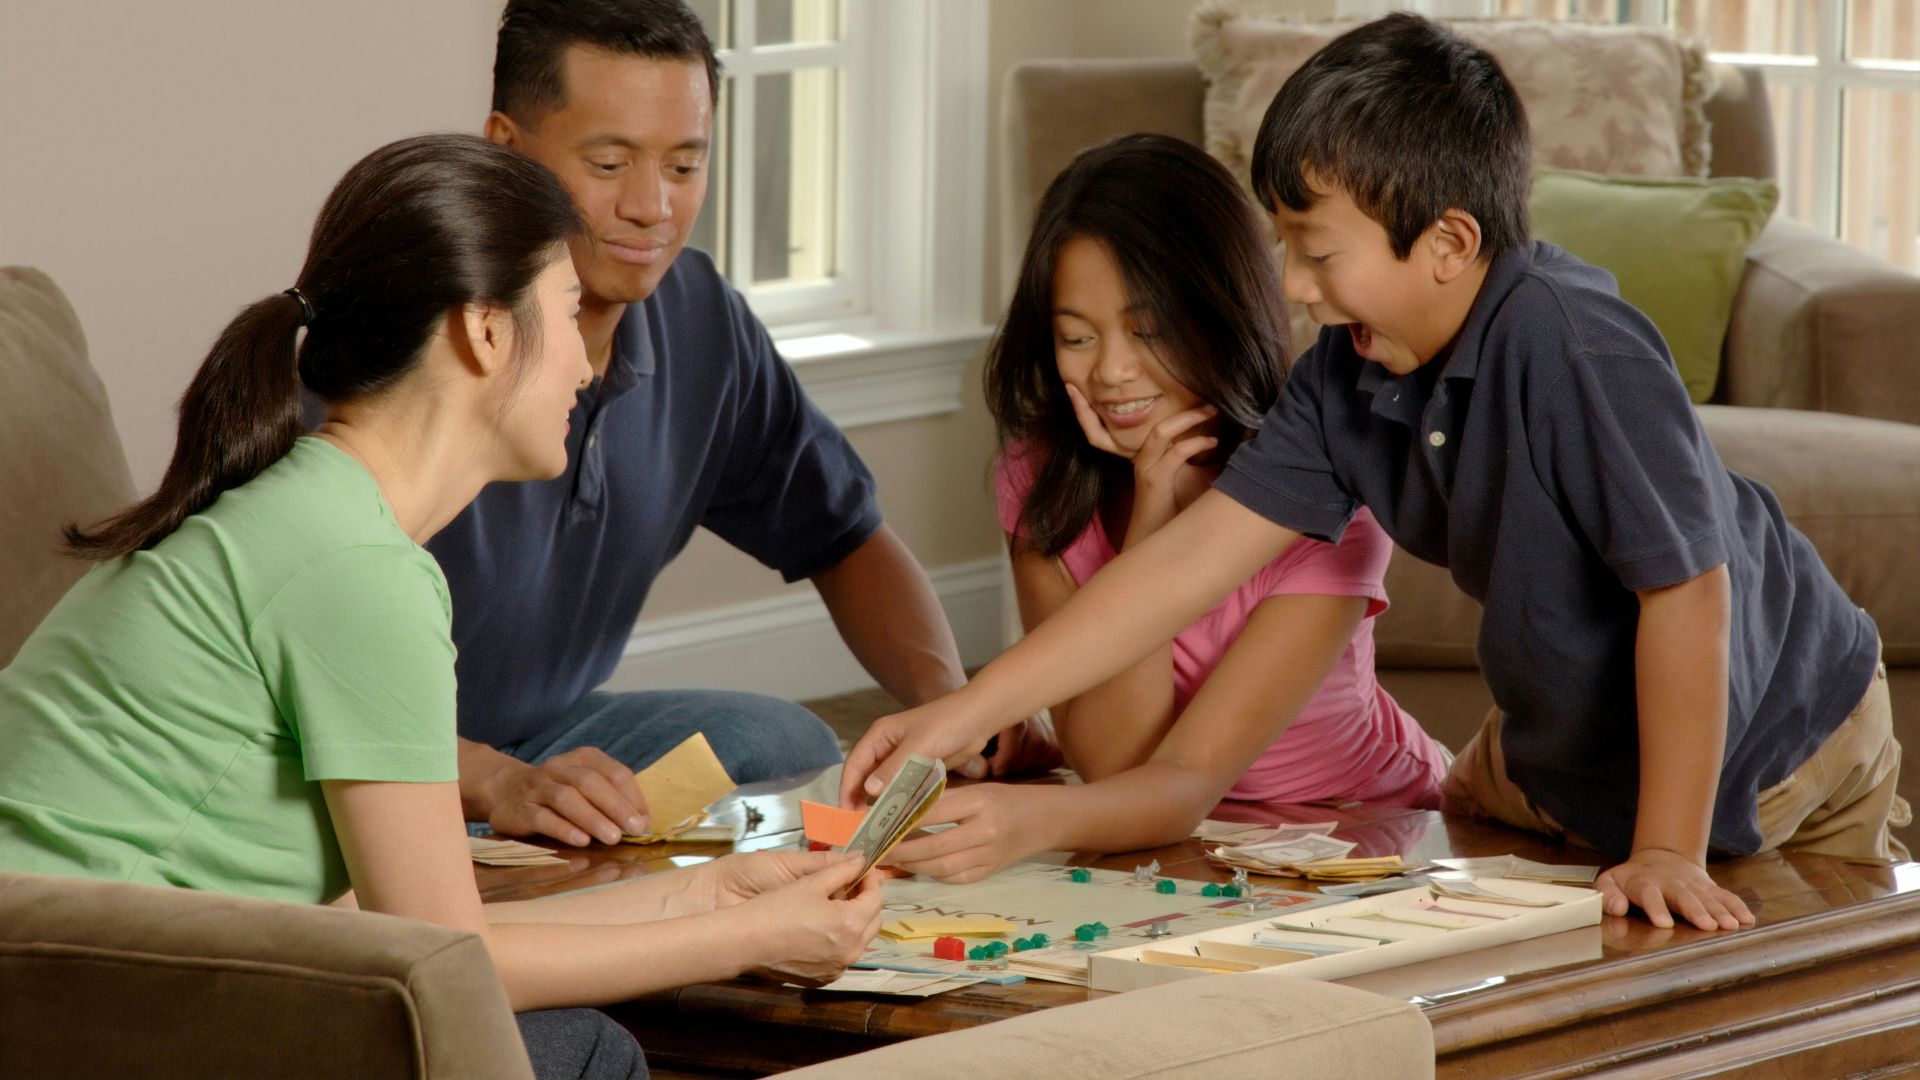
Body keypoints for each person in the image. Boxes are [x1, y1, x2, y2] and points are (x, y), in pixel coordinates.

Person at [842, 14, 1907, 932]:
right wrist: (962, 712)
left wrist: (1668, 847)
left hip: (1775, 731)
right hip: (1563, 751)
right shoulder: (1342, 381)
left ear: (1447, 242)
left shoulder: (1574, 345)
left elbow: (1688, 592)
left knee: (1790, 988)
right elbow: (1177, 571)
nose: (1294, 287)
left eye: (1317, 253)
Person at [0, 133, 883, 1080]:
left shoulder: (308, 514)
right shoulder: (357, 570)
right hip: (82, 1023)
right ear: (485, 331)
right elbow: (448, 964)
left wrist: (716, 897)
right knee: (579, 1050)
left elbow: (396, 928)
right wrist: (750, 940)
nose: (588, 368)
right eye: (569, 312)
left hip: (83, 990)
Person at [432, 0, 1018, 851]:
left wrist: (949, 707)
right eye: (609, 163)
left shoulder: (698, 315)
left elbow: (843, 536)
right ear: (506, 150)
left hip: (543, 731)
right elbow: (290, 683)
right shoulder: (413, 337)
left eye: (684, 163)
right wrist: (490, 780)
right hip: (371, 756)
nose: (652, 206)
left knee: (781, 743)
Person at [885, 135, 1446, 884]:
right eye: (1076, 337)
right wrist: (1150, 510)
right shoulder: (1043, 476)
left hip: (1361, 825)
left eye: (1148, 331)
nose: (1112, 372)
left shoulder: (1327, 491)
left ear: (1222, 312)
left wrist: (1033, 815)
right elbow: (1112, 762)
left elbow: (1182, 781)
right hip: (1164, 834)